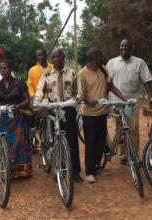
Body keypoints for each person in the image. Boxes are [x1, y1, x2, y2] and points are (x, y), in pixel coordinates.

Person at [78, 48, 127, 183]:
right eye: (99, 57)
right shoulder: (82, 74)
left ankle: (97, 167)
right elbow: (80, 94)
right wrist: (89, 101)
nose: (102, 59)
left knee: (100, 142)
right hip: (89, 114)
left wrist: (124, 97)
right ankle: (89, 172)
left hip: (102, 113)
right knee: (90, 143)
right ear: (93, 59)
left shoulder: (103, 70)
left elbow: (111, 86)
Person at [34, 48, 83, 182]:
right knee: (56, 141)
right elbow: (39, 91)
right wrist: (37, 102)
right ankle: (59, 170)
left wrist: (75, 100)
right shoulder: (47, 75)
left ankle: (75, 172)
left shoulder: (73, 73)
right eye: (54, 56)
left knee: (72, 140)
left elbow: (79, 93)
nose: (57, 59)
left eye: (59, 56)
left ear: (64, 57)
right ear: (52, 59)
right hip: (53, 111)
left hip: (68, 110)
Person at [106, 39, 152, 165]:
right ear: (119, 47)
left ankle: (134, 156)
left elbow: (147, 81)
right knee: (120, 129)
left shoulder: (139, 63)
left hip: (132, 102)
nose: (124, 48)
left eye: (126, 46)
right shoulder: (111, 63)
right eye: (122, 46)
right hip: (116, 102)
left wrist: (151, 97)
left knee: (133, 129)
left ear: (131, 47)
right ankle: (123, 156)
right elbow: (107, 83)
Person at [0, 59, 32, 178]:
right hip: (4, 118)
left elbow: (27, 99)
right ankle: (8, 169)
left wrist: (18, 106)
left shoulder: (19, 82)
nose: (3, 70)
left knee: (20, 143)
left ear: (10, 69)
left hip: (18, 116)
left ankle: (22, 171)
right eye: (0, 68)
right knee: (6, 142)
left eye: (5, 68)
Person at [28, 49, 53, 151]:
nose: (41, 57)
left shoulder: (52, 67)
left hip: (51, 98)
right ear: (36, 57)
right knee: (37, 120)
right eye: (38, 55)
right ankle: (38, 138)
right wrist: (33, 96)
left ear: (46, 55)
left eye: (42, 55)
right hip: (38, 99)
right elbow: (30, 85)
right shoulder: (32, 70)